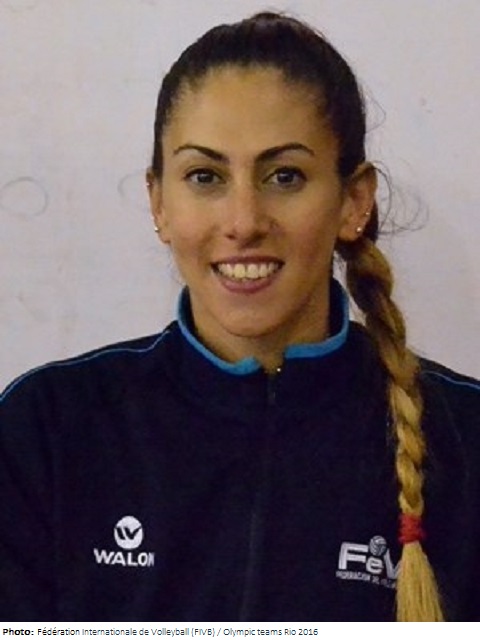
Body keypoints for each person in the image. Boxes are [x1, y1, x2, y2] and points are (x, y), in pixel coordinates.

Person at [0, 11, 479, 623]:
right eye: (205, 176)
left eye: (285, 176)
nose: (244, 220)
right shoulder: (48, 429)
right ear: (159, 202)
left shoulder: (466, 439)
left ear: (354, 201)